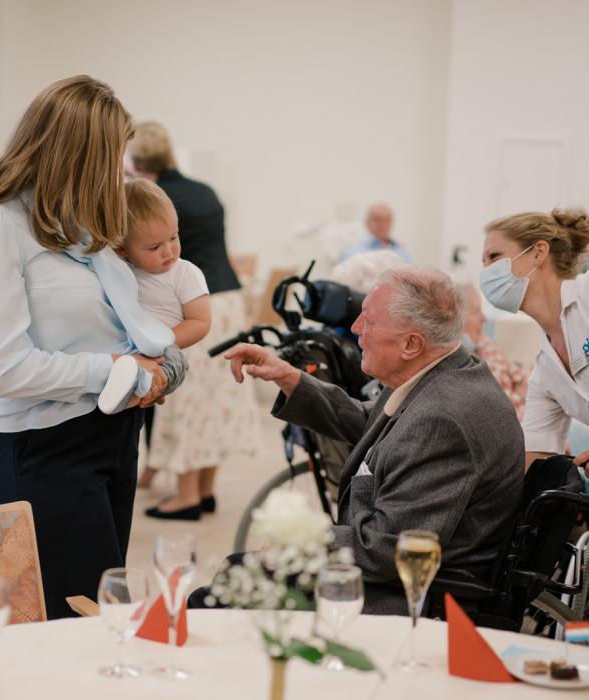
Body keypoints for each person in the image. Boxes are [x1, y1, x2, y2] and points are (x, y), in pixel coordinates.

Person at [0, 76, 185, 618]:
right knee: (71, 613)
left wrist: (158, 372)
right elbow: (5, 370)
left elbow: (132, 326)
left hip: (114, 433)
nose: (121, 172)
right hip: (43, 445)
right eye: (113, 156)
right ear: (76, 155)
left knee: (105, 604)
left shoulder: (87, 228)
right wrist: (115, 369)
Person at [221, 267, 524, 614]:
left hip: (415, 601)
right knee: (237, 571)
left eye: (369, 320)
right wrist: (290, 378)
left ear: (411, 343)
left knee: (231, 583)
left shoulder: (442, 420)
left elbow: (383, 550)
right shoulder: (445, 372)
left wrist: (297, 538)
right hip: (398, 578)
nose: (355, 330)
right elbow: (376, 426)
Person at [126, 121, 260, 520]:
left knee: (189, 400)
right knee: (217, 399)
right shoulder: (205, 191)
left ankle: (185, 497)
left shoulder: (156, 199)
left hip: (192, 307)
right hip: (228, 300)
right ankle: (205, 490)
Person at [480, 209, 589, 473]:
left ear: (539, 252)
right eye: (483, 262)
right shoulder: (545, 373)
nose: (485, 272)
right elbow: (533, 458)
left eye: (494, 257)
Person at [98, 179, 211, 412]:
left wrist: (159, 342)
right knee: (120, 364)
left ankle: (144, 390)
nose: (168, 251)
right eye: (154, 247)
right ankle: (126, 389)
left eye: (173, 237)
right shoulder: (121, 269)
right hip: (129, 349)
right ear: (122, 249)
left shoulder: (185, 273)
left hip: (166, 349)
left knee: (172, 366)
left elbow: (200, 322)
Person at [458, 283, 528, 419]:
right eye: (476, 311)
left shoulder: (485, 343)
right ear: (456, 320)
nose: (484, 319)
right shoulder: (460, 369)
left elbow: (521, 380)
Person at [339, 203, 413, 264]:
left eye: (387, 220)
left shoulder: (402, 251)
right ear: (366, 222)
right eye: (377, 219)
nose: (383, 224)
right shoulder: (352, 252)